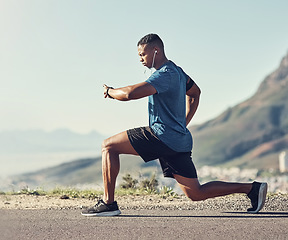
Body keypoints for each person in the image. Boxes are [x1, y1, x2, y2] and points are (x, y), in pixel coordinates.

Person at [81, 33, 268, 216]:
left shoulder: (164, 74)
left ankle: (108, 203)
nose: (140, 59)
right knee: (196, 193)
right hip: (178, 141)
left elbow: (130, 94)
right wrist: (183, 123)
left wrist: (110, 91)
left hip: (160, 135)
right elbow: (195, 93)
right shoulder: (177, 72)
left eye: (142, 54)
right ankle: (252, 189)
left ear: (156, 51)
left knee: (108, 146)